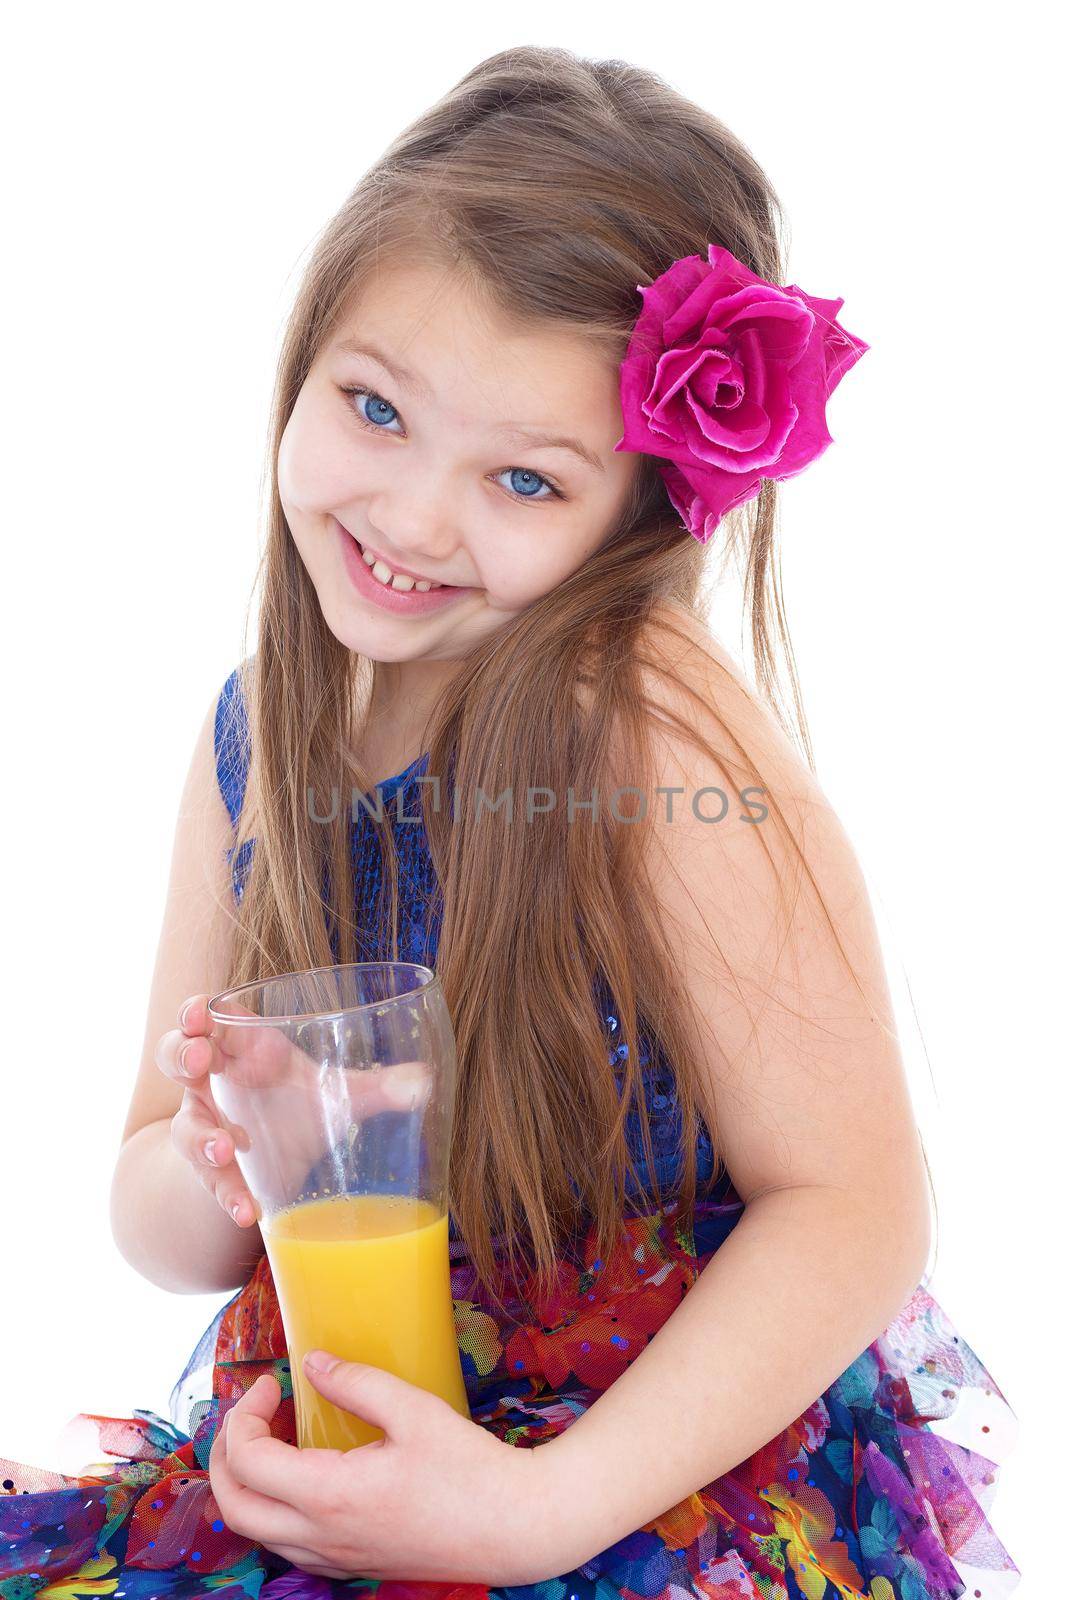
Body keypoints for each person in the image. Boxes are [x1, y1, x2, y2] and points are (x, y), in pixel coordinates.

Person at [1, 45, 1019, 1600]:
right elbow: (158, 1213)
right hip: (361, 1465)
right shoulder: (258, 734)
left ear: (640, 508)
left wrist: (535, 1516)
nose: (413, 519)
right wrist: (225, 1148)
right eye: (374, 407)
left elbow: (857, 1202)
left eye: (526, 483)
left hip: (646, 1487)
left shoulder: (647, 737)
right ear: (305, 362)